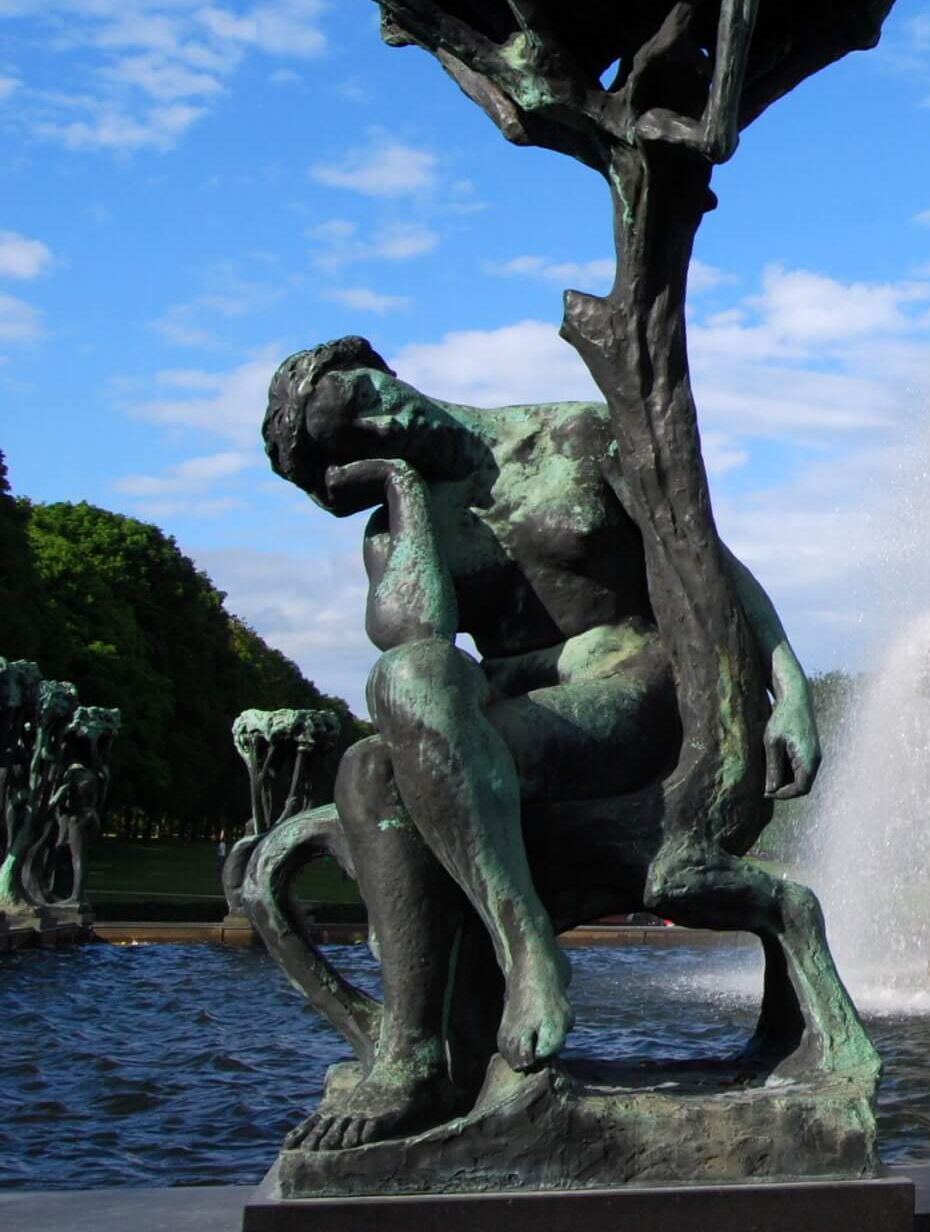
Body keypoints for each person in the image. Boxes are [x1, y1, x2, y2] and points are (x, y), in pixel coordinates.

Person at [258, 336, 822, 1150]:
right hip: (511, 715)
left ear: (377, 366)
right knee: (372, 759)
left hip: (632, 688)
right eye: (363, 438)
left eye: (367, 394)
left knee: (402, 743)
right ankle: (423, 1056)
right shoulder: (397, 526)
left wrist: (789, 687)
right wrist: (404, 488)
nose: (388, 418)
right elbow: (415, 637)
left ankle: (515, 964)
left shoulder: (574, 436)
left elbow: (709, 562)